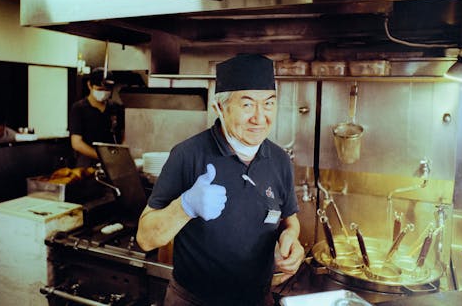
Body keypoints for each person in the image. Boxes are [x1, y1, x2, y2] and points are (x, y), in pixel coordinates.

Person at [136, 54, 304, 306]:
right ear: (220, 107)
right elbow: (145, 238)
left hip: (258, 299)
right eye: (247, 105)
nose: (260, 118)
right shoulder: (187, 155)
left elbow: (290, 222)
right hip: (194, 300)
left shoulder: (279, 159)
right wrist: (184, 207)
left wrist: (292, 240)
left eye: (268, 103)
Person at [69, 68, 125, 167]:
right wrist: (102, 157)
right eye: (99, 89)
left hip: (113, 162)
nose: (103, 93)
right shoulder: (79, 108)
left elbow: (124, 135)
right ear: (89, 85)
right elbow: (76, 143)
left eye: (107, 90)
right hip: (87, 163)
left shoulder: (116, 108)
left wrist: (119, 156)